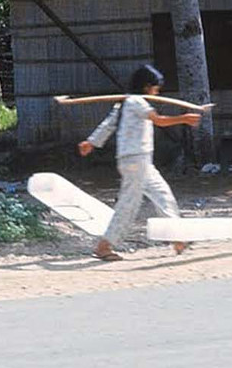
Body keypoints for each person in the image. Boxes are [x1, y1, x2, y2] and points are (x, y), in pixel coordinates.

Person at [77, 64, 203, 261]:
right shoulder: (137, 102)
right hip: (136, 160)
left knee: (163, 195)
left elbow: (107, 125)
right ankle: (104, 246)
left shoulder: (125, 103)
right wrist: (184, 119)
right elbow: (159, 120)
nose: (157, 92)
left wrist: (91, 142)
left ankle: (177, 238)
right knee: (129, 204)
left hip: (140, 160)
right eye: (155, 88)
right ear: (146, 87)